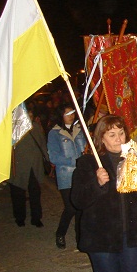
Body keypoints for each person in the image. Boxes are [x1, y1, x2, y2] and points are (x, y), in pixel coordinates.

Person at [71, 115, 137, 272]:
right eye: (112, 134)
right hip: (102, 236)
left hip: (131, 233)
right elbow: (78, 200)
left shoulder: (134, 160)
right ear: (101, 138)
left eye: (121, 133)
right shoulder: (88, 163)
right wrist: (97, 183)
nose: (118, 138)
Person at [47, 103, 87, 249]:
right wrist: (73, 160)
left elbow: (86, 148)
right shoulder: (54, 133)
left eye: (73, 112)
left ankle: (80, 238)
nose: (72, 115)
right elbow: (53, 156)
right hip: (66, 175)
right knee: (71, 207)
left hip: (81, 175)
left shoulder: (80, 129)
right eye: (68, 113)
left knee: (81, 207)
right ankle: (60, 233)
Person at [8, 110, 49, 228]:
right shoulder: (13, 127)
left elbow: (42, 143)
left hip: (34, 166)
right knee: (18, 193)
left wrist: (47, 158)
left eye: (31, 115)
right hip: (19, 166)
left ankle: (36, 218)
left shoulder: (35, 127)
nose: (29, 117)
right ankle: (20, 217)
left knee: (35, 193)